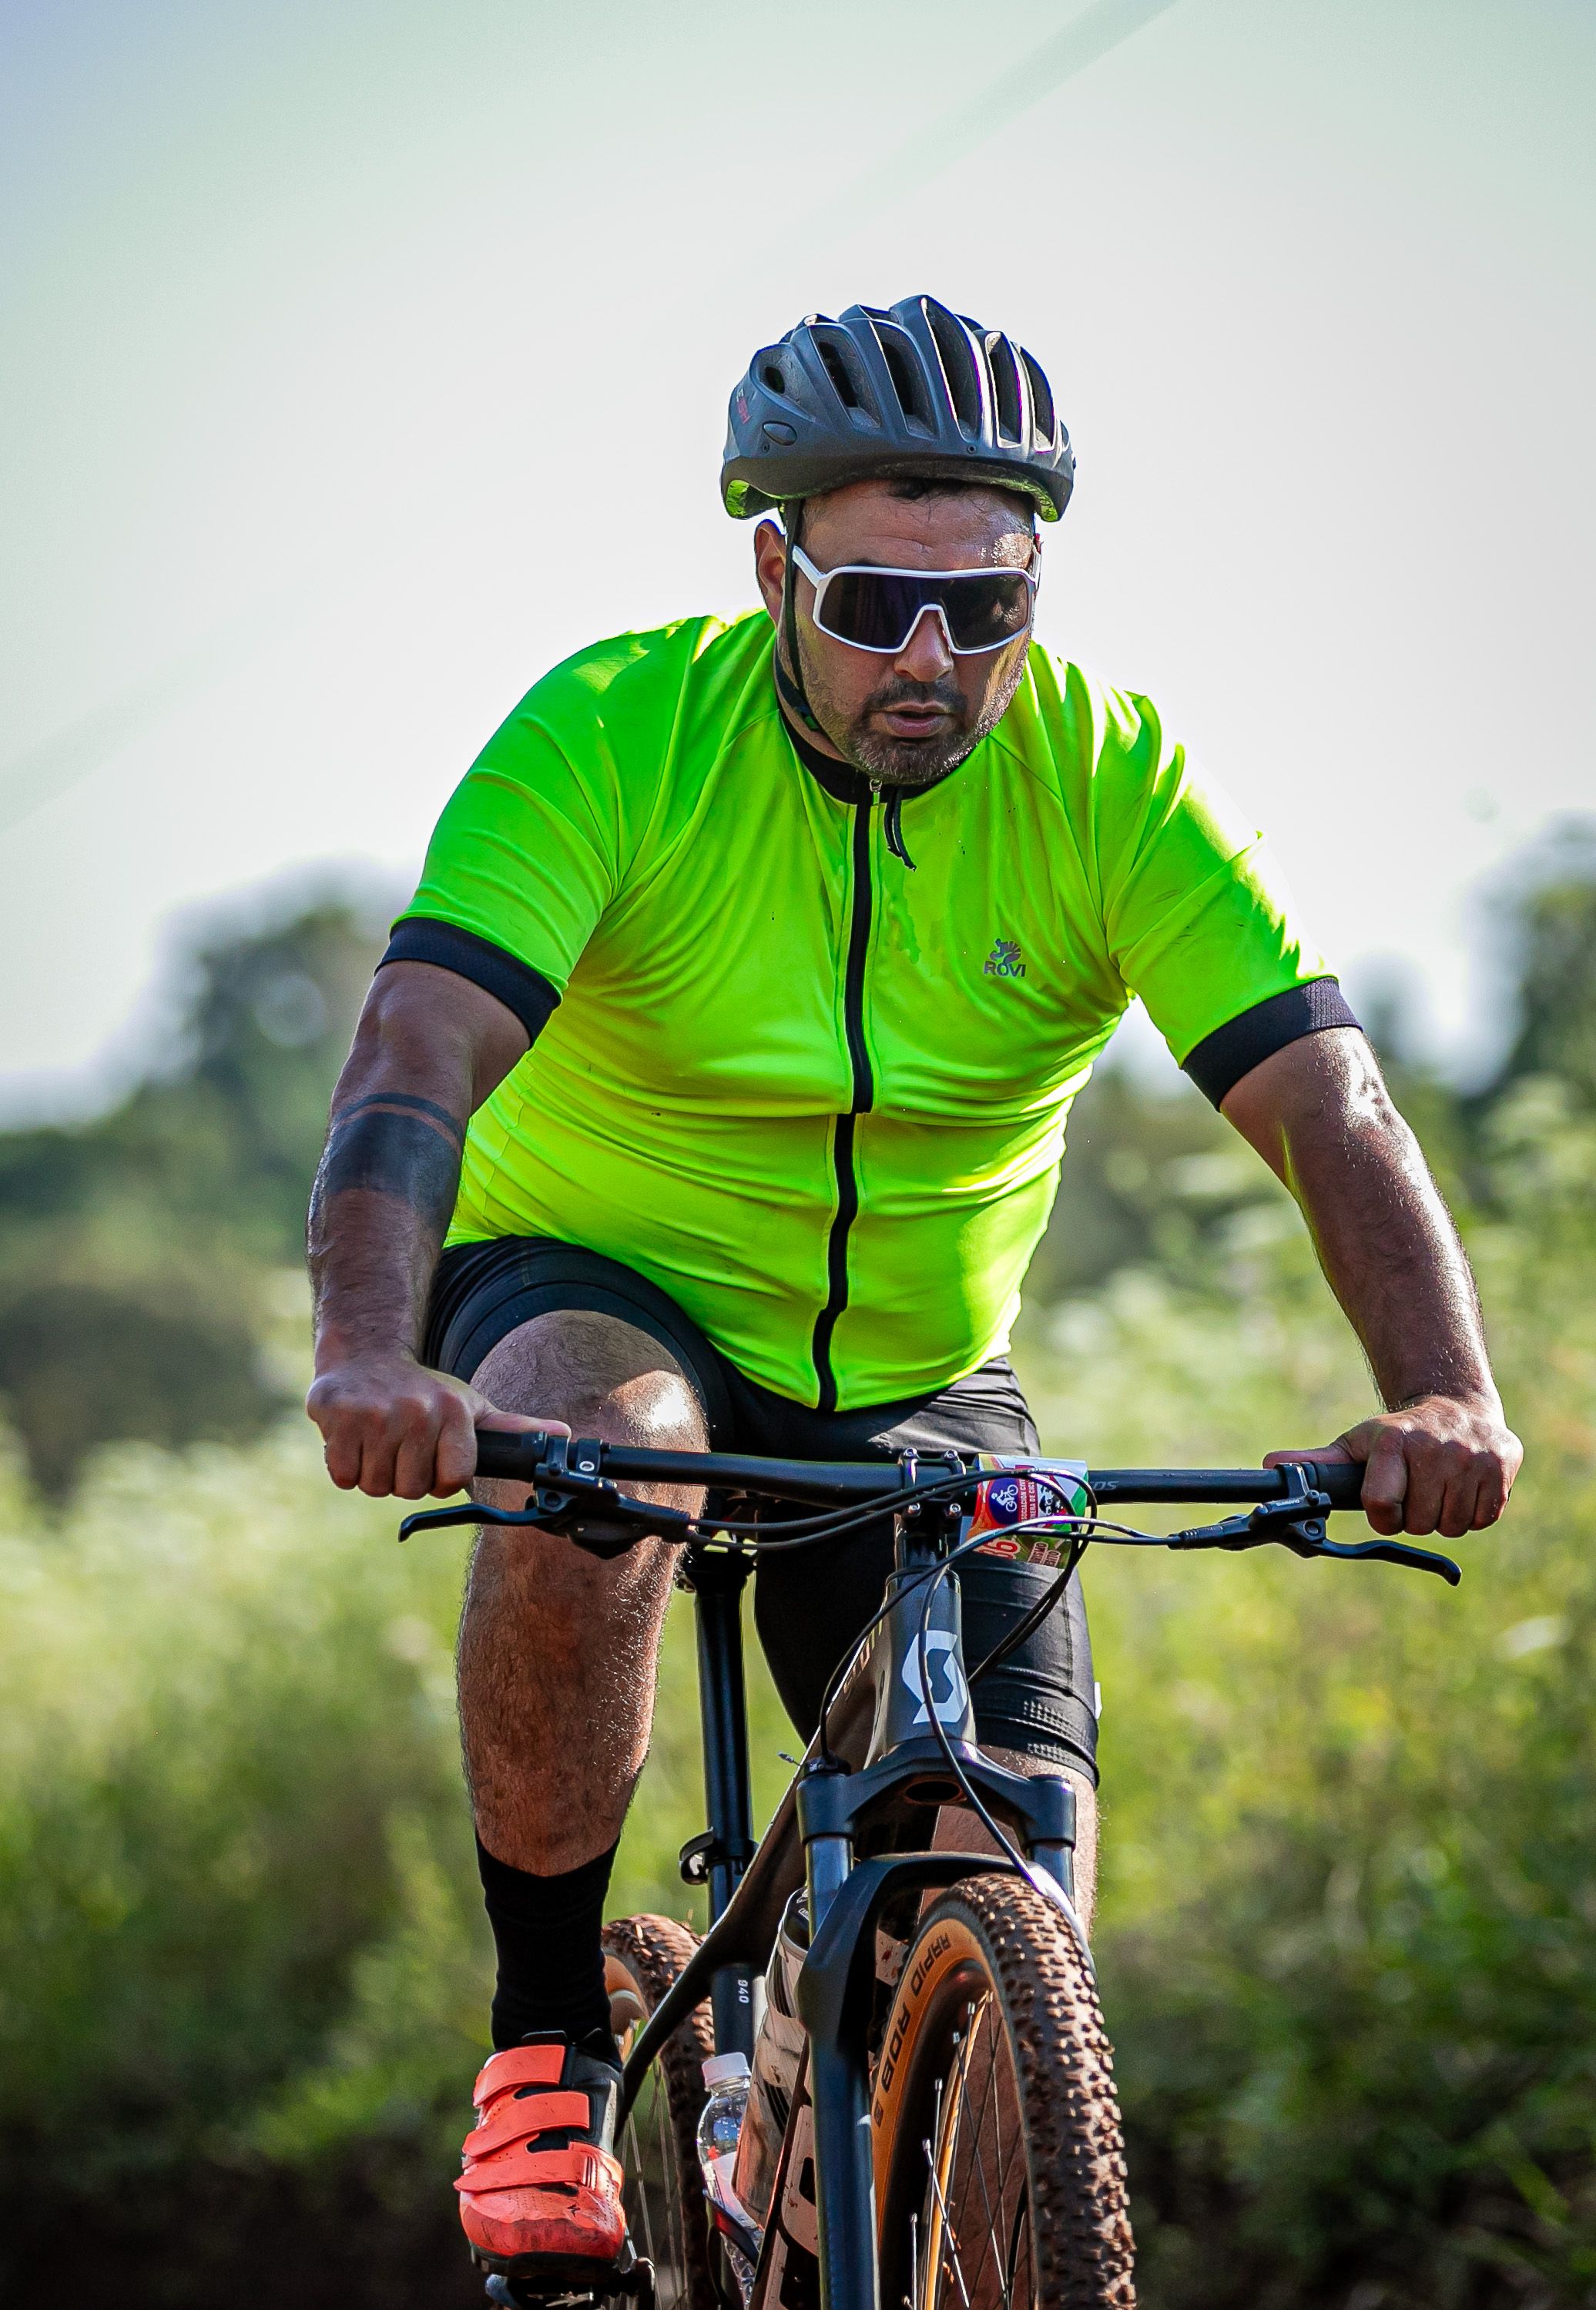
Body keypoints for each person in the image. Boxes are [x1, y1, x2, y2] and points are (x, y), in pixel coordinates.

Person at [305, 294, 1521, 2284]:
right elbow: (414, 1055)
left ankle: (858, 2124)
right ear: (772, 573)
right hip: (605, 1280)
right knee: (608, 1454)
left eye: (991, 606)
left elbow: (1332, 1099)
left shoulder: (1112, 778)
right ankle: (544, 2051)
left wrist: (1447, 1389)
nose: (937, 659)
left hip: (919, 1365)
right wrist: (370, 1352)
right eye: (878, 604)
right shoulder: (614, 732)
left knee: (1015, 1863)